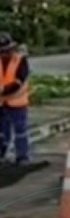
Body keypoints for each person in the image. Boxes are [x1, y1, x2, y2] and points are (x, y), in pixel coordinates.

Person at [0, 33, 31, 165]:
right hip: (1, 103)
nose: (5, 54)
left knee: (20, 130)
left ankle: (22, 157)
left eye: (6, 51)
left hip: (17, 102)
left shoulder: (20, 61)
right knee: (2, 132)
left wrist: (3, 90)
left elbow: (19, 81)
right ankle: (2, 155)